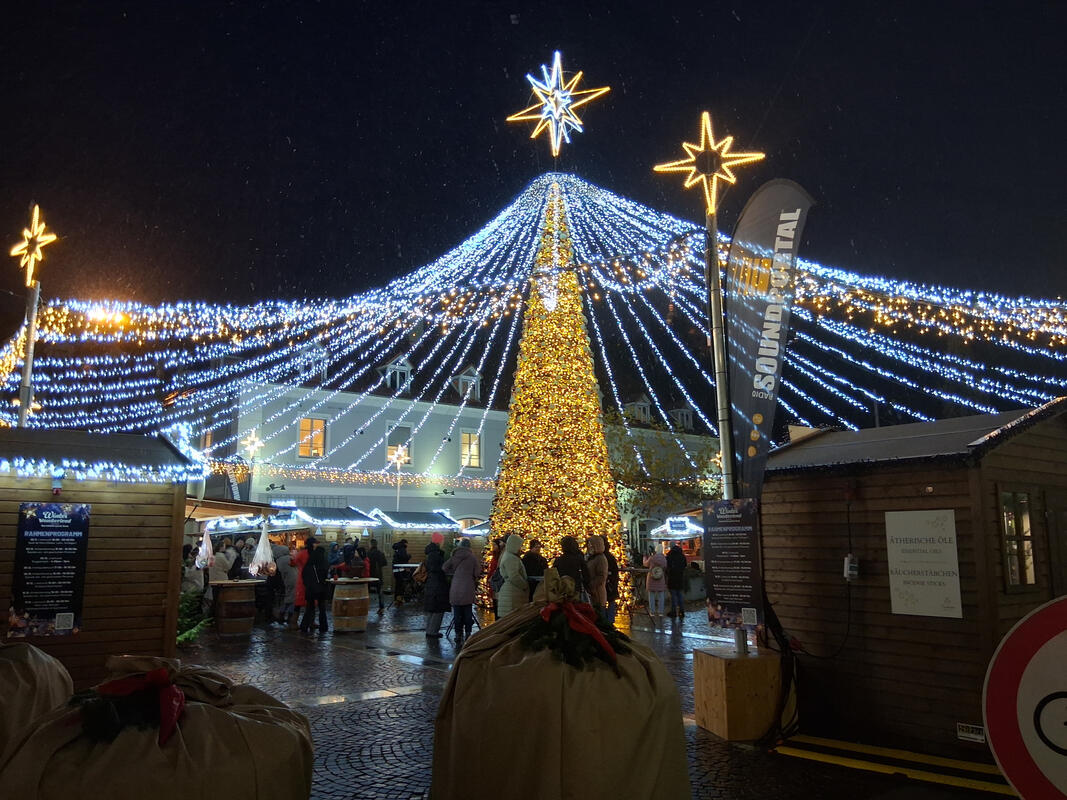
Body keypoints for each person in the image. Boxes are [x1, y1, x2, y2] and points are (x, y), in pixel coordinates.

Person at [443, 538, 482, 645]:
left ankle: (458, 634)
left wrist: (453, 573)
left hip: (456, 586)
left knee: (457, 612)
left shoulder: (454, 556)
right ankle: (468, 633)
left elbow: (444, 567)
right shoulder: (472, 558)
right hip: (468, 587)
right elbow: (477, 572)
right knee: (467, 611)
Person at [299, 538, 329, 633]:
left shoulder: (309, 563)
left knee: (309, 608)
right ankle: (323, 626)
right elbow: (325, 575)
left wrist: (307, 584)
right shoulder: (323, 563)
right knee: (322, 608)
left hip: (310, 589)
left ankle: (304, 626)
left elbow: (303, 574)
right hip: (320, 588)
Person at [496, 534, 528, 618]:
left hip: (510, 593)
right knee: (512, 619)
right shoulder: (511, 558)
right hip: (512, 594)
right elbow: (514, 576)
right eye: (520, 546)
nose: (521, 549)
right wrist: (524, 585)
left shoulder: (508, 555)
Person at [423, 538, 450, 637]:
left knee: (432, 609)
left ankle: (429, 630)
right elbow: (440, 569)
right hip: (438, 585)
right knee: (438, 609)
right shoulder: (436, 556)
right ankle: (433, 631)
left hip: (431, 584)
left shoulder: (429, 555)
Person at [272, 543, 297, 625]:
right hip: (294, 580)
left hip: (287, 580)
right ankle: (288, 616)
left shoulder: (278, 560)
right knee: (293, 599)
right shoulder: (288, 559)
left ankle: (282, 615)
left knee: (289, 597)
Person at [644, 545, 668, 621]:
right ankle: (661, 612)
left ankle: (652, 612)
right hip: (660, 578)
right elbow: (665, 566)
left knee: (651, 596)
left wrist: (644, 557)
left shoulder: (652, 558)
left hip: (651, 578)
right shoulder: (663, 558)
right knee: (661, 596)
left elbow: (645, 564)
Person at [601, 534, 621, 625]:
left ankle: (605, 621)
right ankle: (610, 620)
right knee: (611, 601)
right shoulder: (610, 556)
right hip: (611, 582)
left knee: (603, 601)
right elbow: (615, 570)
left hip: (606, 583)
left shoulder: (601, 556)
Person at [585, 535, 608, 612]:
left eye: (590, 544)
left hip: (597, 593)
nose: (589, 546)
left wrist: (591, 585)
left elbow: (602, 576)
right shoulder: (591, 557)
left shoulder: (600, 558)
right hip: (592, 593)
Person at [666, 542, 688, 618]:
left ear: (670, 547)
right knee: (680, 595)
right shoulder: (682, 555)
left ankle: (674, 611)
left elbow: (667, 566)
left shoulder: (669, 555)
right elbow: (685, 565)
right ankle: (681, 611)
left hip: (672, 578)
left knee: (673, 596)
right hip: (680, 577)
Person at [486, 537, 505, 617]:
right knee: (495, 602)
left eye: (494, 545)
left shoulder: (500, 556)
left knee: (497, 603)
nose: (493, 547)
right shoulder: (494, 555)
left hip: (497, 581)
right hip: (493, 581)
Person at [368, 539, 387, 610]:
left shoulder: (368, 553)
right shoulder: (380, 553)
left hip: (369, 575)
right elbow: (385, 563)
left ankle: (365, 606)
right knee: (380, 592)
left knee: (367, 591)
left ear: (371, 545)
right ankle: (381, 607)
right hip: (378, 575)